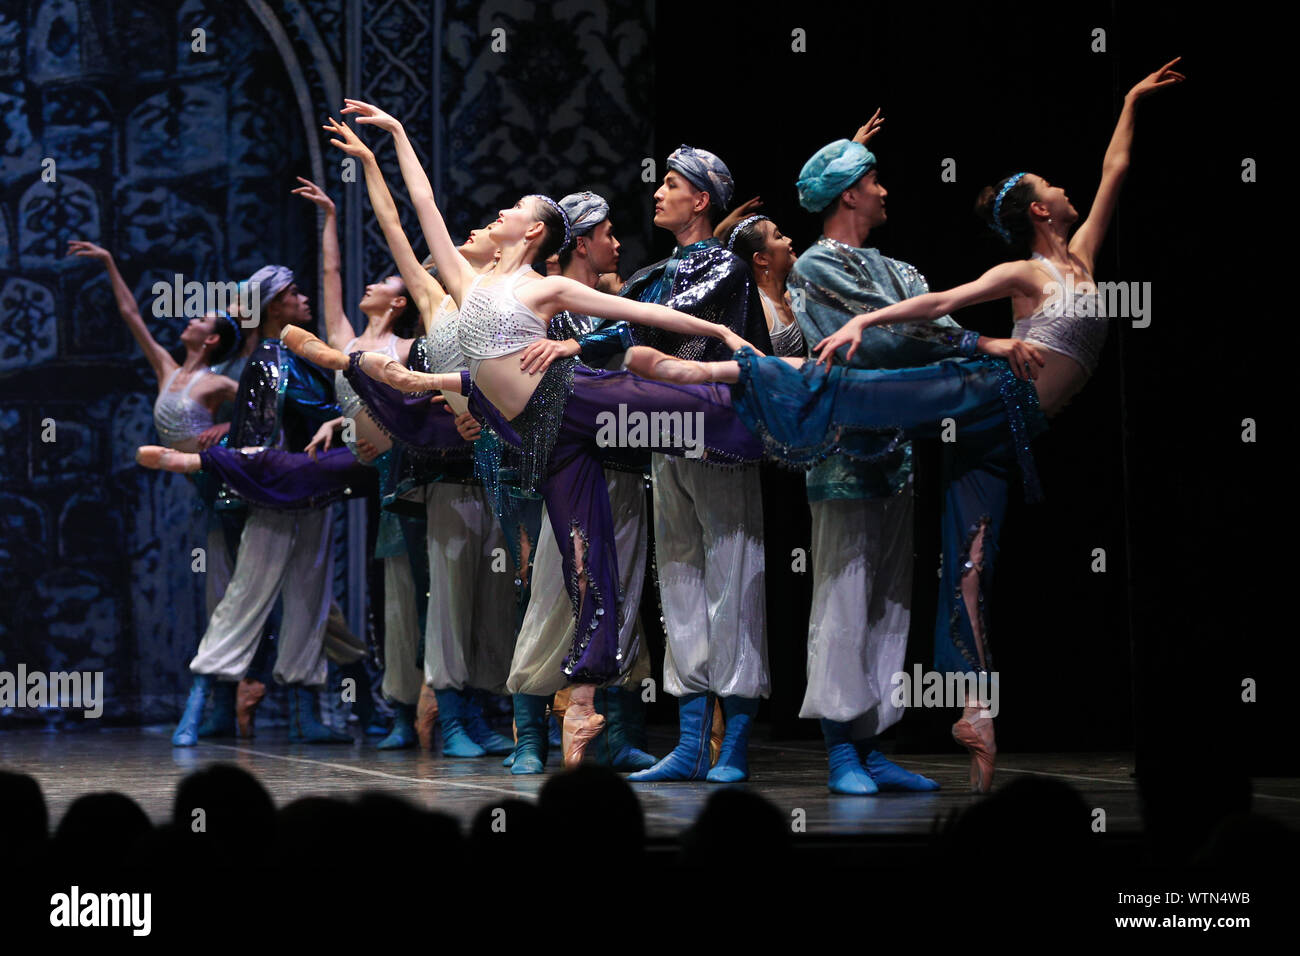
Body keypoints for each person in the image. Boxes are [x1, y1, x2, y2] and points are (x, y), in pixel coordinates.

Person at [627, 55, 1185, 792]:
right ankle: (838, 750)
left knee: (893, 595)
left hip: (903, 448)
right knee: (845, 593)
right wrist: (975, 341)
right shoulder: (820, 265)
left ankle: (878, 740)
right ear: (852, 191)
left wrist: (1132, 103)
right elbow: (888, 336)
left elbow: (926, 315)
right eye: (874, 179)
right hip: (845, 447)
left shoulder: (898, 267)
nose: (888, 189)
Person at [281, 101, 763, 768]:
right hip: (542, 441)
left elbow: (638, 310)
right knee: (583, 562)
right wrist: (386, 142)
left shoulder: (541, 291)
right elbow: (409, 212)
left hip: (572, 405)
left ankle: (773, 393)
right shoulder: (465, 280)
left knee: (679, 409)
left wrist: (721, 333)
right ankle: (585, 709)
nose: (498, 213)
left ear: (533, 232)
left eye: (512, 210)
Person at [504, 190, 657, 773]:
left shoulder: (618, 302)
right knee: (554, 595)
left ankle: (619, 735)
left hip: (625, 468)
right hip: (573, 471)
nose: (617, 243)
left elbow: (636, 344)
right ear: (583, 241)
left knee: (623, 599)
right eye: (608, 233)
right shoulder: (548, 307)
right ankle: (528, 738)